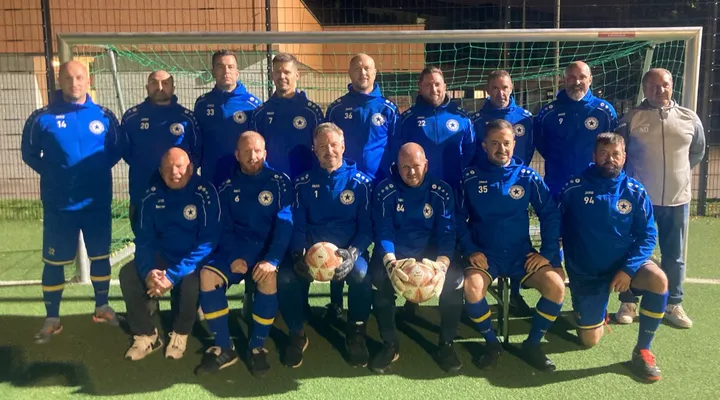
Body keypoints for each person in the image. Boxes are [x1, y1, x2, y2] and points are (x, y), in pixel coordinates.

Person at [21, 60, 123, 344]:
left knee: (100, 257)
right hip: (60, 205)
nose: (74, 83)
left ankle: (102, 307)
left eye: (79, 78)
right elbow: (29, 153)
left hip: (96, 202)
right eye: (68, 78)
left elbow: (116, 150)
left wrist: (94, 172)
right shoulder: (42, 118)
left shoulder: (104, 116)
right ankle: (52, 318)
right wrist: (56, 174)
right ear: (59, 81)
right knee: (54, 262)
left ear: (88, 80)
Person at [559, 132, 668, 382]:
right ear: (594, 156)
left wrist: (628, 269)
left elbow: (648, 235)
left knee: (658, 280)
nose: (610, 159)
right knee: (589, 341)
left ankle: (643, 350)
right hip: (587, 272)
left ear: (624, 157)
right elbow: (555, 225)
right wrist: (556, 259)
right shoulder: (574, 187)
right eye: (604, 154)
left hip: (623, 267)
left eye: (615, 154)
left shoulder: (635, 191)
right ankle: (595, 311)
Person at [457, 119, 564, 371]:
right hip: (486, 255)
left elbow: (550, 213)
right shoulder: (469, 178)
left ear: (514, 144)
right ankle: (491, 343)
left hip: (520, 256)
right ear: (484, 145)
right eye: (495, 143)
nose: (501, 148)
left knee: (556, 287)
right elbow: (458, 219)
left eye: (506, 143)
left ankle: (532, 344)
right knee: (472, 288)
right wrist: (470, 249)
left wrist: (547, 253)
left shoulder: (527, 176)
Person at [195, 131, 292, 378]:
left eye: (257, 151)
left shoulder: (280, 182)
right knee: (207, 275)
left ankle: (257, 346)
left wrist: (272, 260)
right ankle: (224, 347)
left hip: (266, 254)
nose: (253, 156)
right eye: (247, 152)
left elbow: (285, 225)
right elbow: (223, 227)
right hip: (236, 253)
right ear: (237, 155)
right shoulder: (227, 187)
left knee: (268, 278)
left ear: (265, 153)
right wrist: (233, 256)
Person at [614, 68, 706, 329]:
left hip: (677, 200)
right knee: (633, 250)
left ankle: (673, 303)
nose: (660, 89)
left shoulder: (690, 118)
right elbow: (619, 155)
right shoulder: (631, 118)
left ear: (672, 85)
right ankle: (629, 300)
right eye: (653, 86)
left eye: (664, 84)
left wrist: (677, 175)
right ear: (645, 89)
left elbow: (697, 152)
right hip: (641, 202)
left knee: (674, 255)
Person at [278, 123, 373, 369]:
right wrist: (298, 254)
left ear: (343, 146)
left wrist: (353, 254)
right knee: (286, 277)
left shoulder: (361, 184)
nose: (329, 151)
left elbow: (366, 229)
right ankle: (297, 333)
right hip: (311, 253)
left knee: (361, 275)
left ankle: (356, 332)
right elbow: (297, 225)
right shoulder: (302, 184)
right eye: (322, 146)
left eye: (333, 145)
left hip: (347, 252)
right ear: (314, 150)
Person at [370, 143, 464, 374]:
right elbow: (383, 232)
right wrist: (391, 263)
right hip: (397, 254)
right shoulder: (385, 190)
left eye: (416, 166)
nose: (411, 172)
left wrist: (442, 265)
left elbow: (447, 232)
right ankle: (390, 344)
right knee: (378, 280)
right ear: (397, 166)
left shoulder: (442, 191)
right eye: (405, 167)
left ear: (426, 165)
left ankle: (446, 344)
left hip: (432, 254)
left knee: (455, 281)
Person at [119, 147, 221, 361]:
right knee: (128, 274)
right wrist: (148, 272)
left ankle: (180, 333)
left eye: (179, 166)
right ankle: (146, 335)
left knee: (191, 281)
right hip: (163, 256)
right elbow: (145, 240)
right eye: (168, 168)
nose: (174, 172)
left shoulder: (205, 192)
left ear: (190, 168)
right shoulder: (151, 195)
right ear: (160, 171)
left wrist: (172, 276)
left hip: (193, 259)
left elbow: (207, 242)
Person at [324, 53, 399, 320]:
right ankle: (335, 302)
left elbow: (394, 148)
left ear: (375, 73)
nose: (362, 73)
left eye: (367, 68)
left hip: (378, 187)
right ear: (349, 73)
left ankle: (381, 298)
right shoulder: (337, 108)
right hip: (346, 185)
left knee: (376, 239)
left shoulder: (388, 109)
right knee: (339, 240)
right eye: (357, 69)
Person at [471, 70, 535, 316]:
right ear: (488, 90)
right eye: (495, 88)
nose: (501, 93)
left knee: (516, 232)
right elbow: (471, 153)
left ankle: (515, 293)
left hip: (516, 185)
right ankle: (476, 291)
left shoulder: (526, 119)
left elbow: (531, 149)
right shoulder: (476, 119)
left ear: (512, 88)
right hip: (484, 184)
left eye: (505, 87)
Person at [122, 70, 200, 231]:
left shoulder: (187, 118)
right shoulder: (132, 117)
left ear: (173, 88)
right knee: (144, 238)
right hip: (142, 190)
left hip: (179, 194)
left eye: (165, 83)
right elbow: (125, 151)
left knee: (180, 236)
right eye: (154, 83)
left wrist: (177, 175)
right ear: (146, 87)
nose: (159, 87)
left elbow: (197, 152)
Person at [534, 61, 618, 197]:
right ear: (564, 80)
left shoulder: (604, 111)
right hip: (557, 186)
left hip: (594, 186)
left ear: (590, 79)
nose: (577, 82)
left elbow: (613, 147)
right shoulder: (548, 113)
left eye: (582, 77)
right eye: (571, 77)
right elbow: (541, 145)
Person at [397, 66, 475, 189]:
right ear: (420, 87)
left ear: (444, 86)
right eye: (428, 85)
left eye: (437, 84)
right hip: (420, 191)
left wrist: (458, 172)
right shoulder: (407, 120)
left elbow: (470, 151)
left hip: (454, 189)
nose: (434, 90)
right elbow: (398, 154)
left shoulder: (462, 118)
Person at [252, 52, 325, 180]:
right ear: (272, 75)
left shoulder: (312, 112)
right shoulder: (260, 113)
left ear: (297, 75)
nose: (282, 76)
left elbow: (323, 147)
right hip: (271, 182)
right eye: (277, 72)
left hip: (306, 181)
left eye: (287, 72)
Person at [195, 50, 262, 187]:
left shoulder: (253, 104)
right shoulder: (202, 103)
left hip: (241, 176)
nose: (226, 71)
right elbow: (196, 140)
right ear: (213, 72)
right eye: (220, 67)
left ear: (237, 72)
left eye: (230, 67)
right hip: (211, 176)